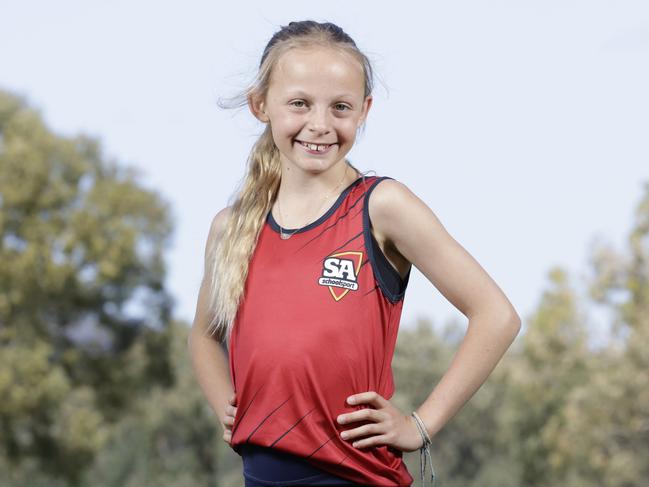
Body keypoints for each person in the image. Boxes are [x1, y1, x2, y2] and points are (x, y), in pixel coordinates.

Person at [188, 20, 522, 487]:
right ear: (260, 104)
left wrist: (420, 424)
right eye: (300, 103)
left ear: (364, 110)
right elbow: (204, 337)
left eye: (340, 107)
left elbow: (496, 315)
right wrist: (228, 406)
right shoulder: (230, 228)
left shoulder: (381, 207)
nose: (320, 124)